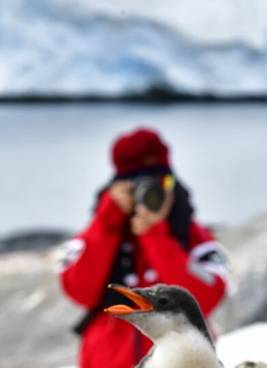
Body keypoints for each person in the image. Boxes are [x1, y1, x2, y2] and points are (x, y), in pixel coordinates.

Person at [58, 127, 229, 368]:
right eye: (134, 185)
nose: (149, 194)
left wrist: (156, 236)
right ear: (116, 186)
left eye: (160, 182)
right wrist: (108, 221)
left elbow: (208, 297)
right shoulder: (100, 231)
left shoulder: (193, 237)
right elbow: (77, 289)